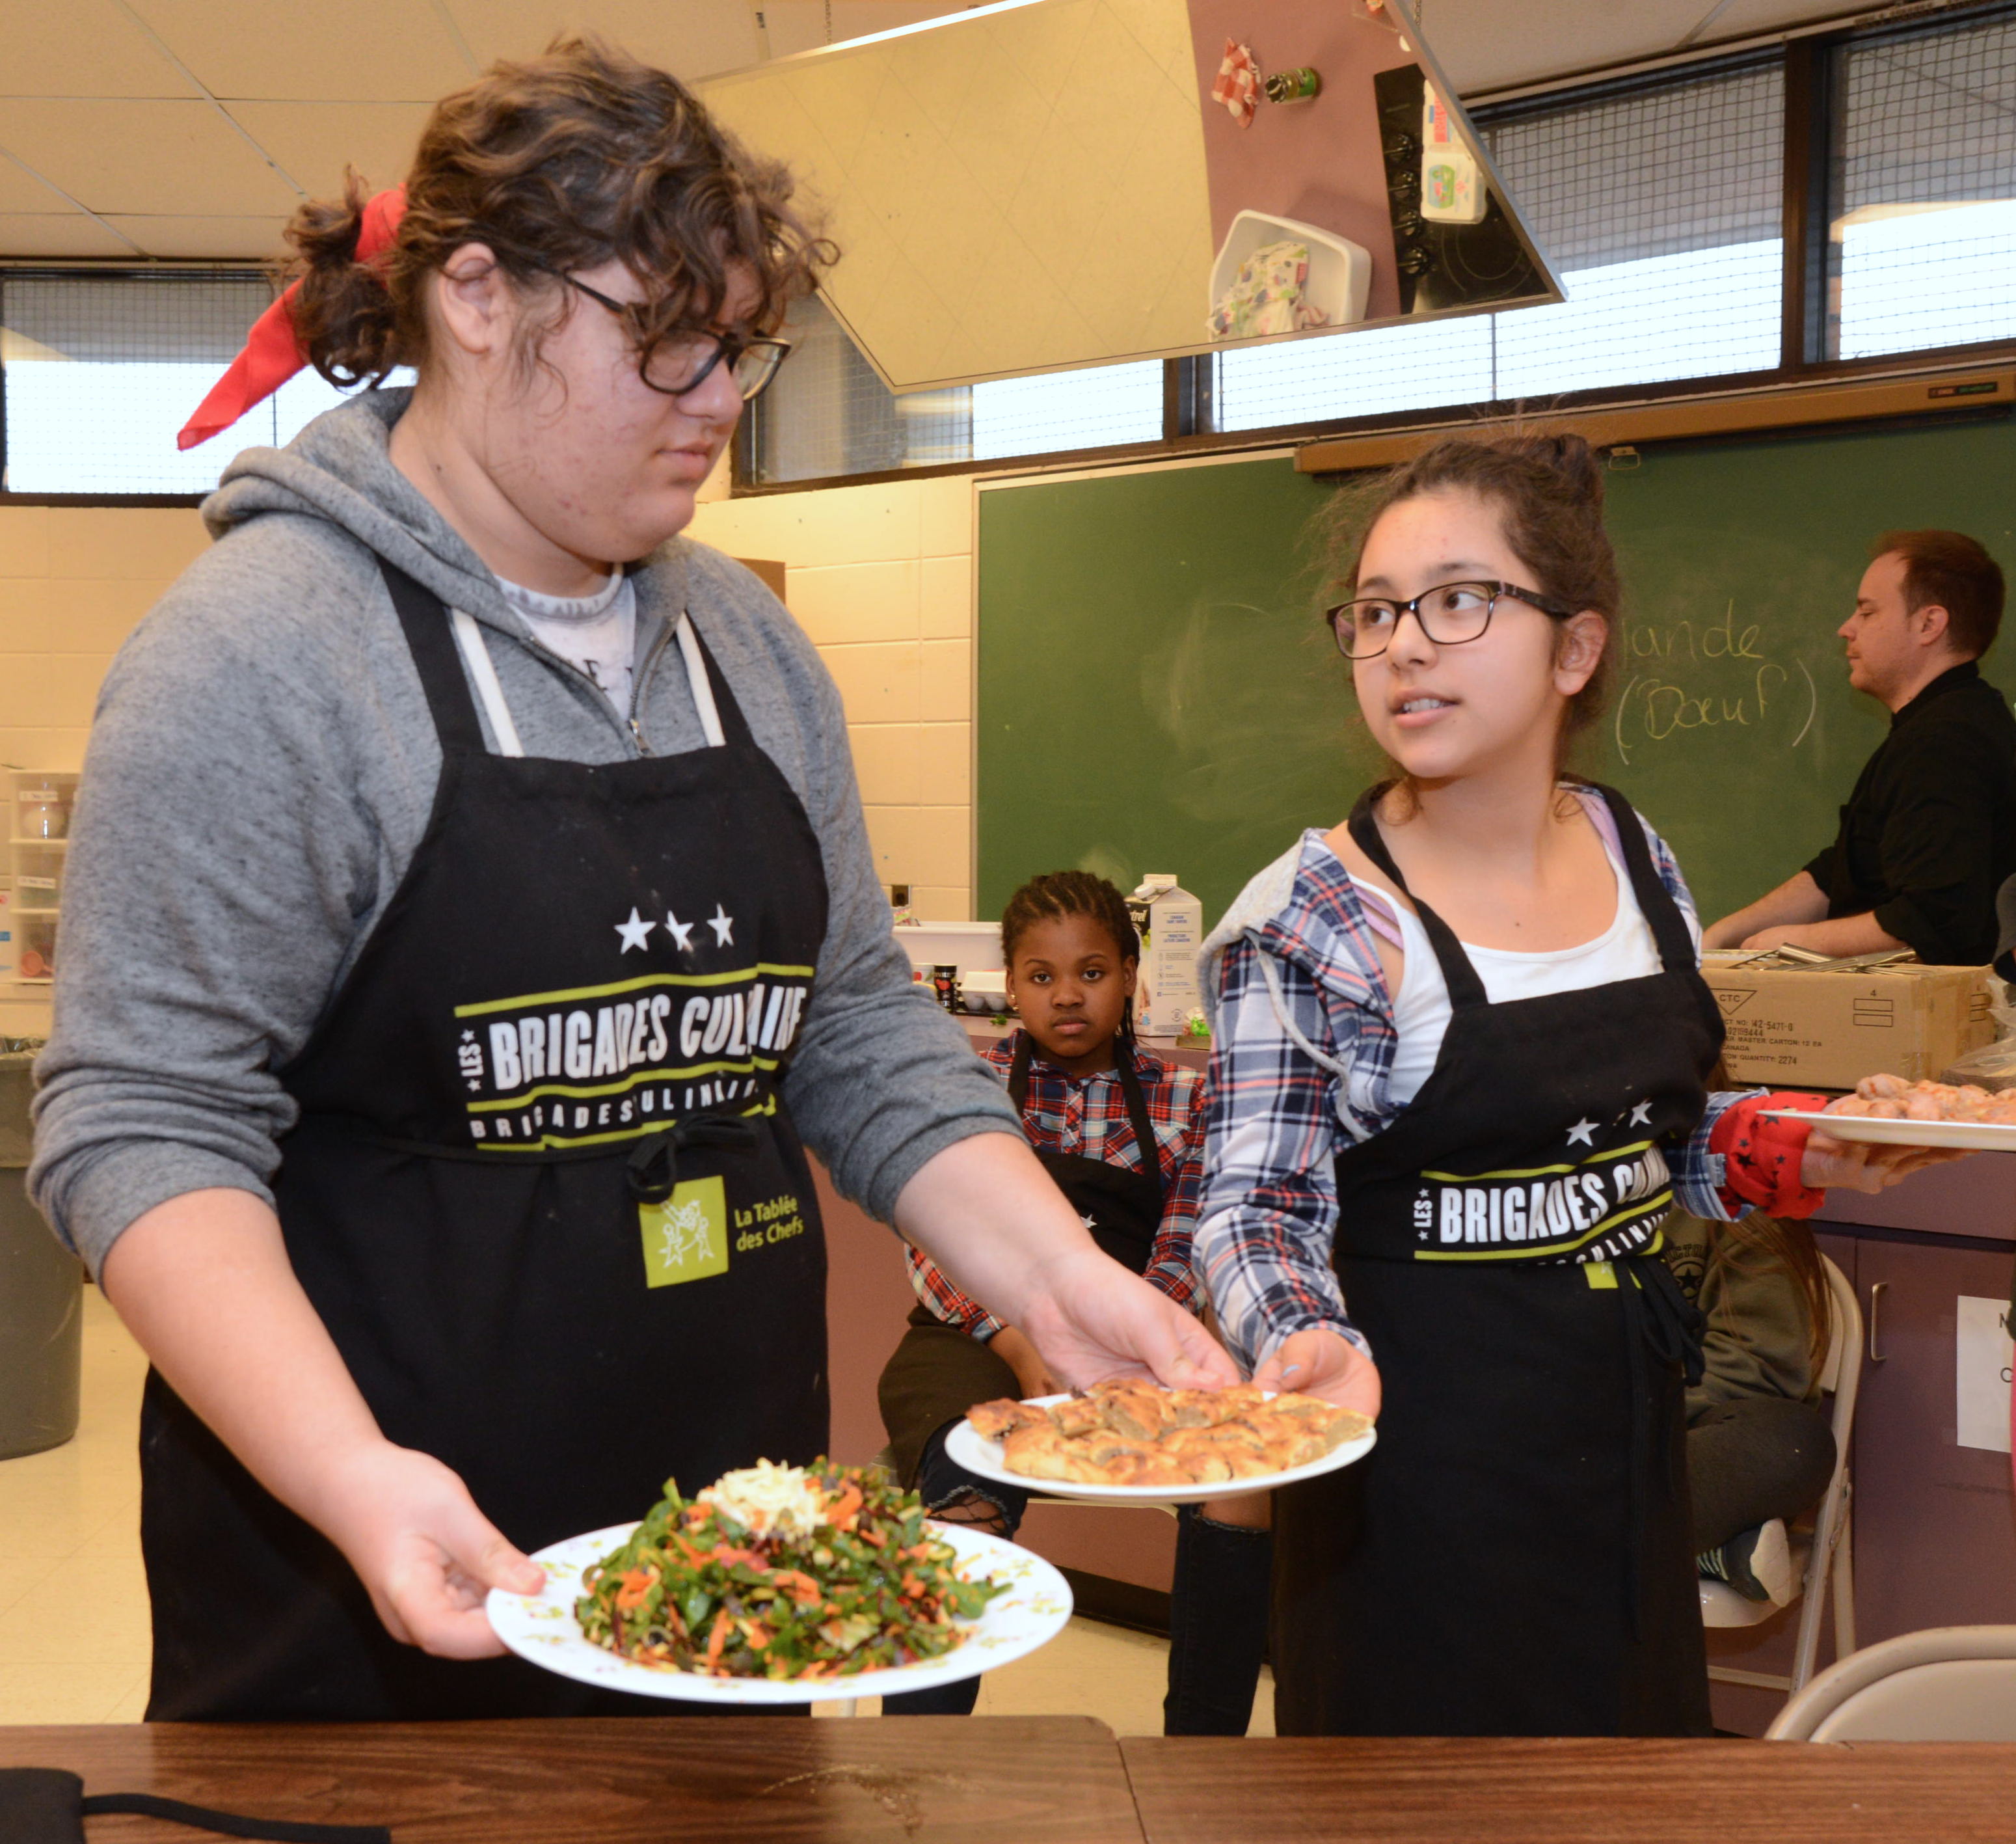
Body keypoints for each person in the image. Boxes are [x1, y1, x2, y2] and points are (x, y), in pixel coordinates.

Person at [26, 40, 1231, 1725]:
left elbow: (859, 1031)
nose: (719, 398)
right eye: (664, 338)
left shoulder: (747, 650)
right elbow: (142, 1130)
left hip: (717, 1565)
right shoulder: (263, 656)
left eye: (738, 344)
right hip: (365, 1564)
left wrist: (1053, 1276)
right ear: (473, 294)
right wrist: (353, 1474)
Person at [1193, 434, 1953, 1739]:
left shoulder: (1631, 852)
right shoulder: (1316, 914)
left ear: (1573, 649)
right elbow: (1252, 1206)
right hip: (1403, 1499)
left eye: (1457, 599)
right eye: (1375, 611)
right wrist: (1292, 1335)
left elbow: (1651, 1144)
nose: (1404, 645)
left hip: (1619, 1477)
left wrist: (1808, 1147)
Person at [878, 872, 1272, 1732]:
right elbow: (934, 1236)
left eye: (1090, 972)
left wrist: (1135, 1352)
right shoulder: (966, 1079)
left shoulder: (1183, 1095)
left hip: (1136, 1341)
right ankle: (914, 1753)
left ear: (1130, 975)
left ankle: (1199, 1760)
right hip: (971, 1332)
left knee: (1240, 1485)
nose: (1065, 997)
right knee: (965, 1487)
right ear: (1010, 983)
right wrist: (1022, 1344)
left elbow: (1182, 1240)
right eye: (1041, 975)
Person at [1706, 531, 2016, 966]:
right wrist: (1724, 935)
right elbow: (1843, 871)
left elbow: (1935, 917)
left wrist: (1786, 943)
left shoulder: (1946, 742)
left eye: (1866, 612)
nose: (1845, 629)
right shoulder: (1930, 728)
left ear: (1929, 624)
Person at [1663, 1208, 1836, 1606]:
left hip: (1681, 1440)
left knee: (1792, 1445)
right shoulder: (1520, 1190)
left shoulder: (1738, 1197)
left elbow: (1758, 1365)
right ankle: (1704, 1550)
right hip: (1554, 1443)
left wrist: (1631, 1413)